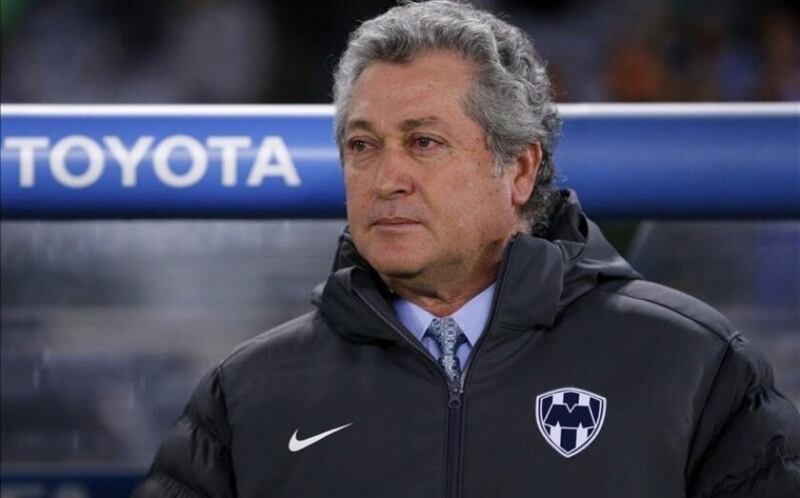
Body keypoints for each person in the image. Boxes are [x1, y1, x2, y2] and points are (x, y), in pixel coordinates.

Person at [133, 1, 800, 497]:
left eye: (424, 142)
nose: (386, 178)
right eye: (363, 145)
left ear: (519, 170)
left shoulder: (692, 366)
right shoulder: (249, 394)